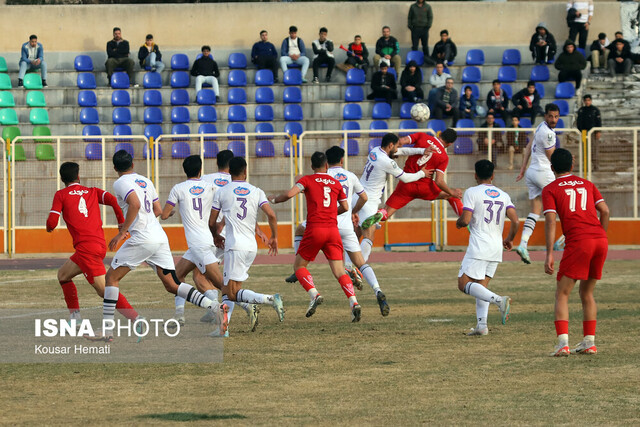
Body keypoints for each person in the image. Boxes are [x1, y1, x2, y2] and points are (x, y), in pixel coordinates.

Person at [98, 150, 228, 341]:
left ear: (115, 168)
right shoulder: (145, 181)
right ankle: (215, 307)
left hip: (141, 238)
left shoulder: (120, 183)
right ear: (133, 165)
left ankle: (107, 330)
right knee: (172, 284)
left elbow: (134, 204)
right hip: (159, 237)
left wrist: (122, 231)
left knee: (111, 278)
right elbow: (158, 210)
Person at [284, 147, 391, 317]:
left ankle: (299, 269)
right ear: (342, 160)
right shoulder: (350, 176)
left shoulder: (323, 176)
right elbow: (363, 197)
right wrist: (354, 212)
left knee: (299, 230)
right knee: (361, 263)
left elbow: (300, 183)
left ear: (326, 163)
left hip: (325, 221)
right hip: (346, 226)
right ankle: (377, 290)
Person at [160, 155, 259, 334]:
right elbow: (224, 204)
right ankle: (179, 315)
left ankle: (247, 306)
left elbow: (164, 215)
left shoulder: (178, 188)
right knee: (177, 276)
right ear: (200, 170)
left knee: (223, 286)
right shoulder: (211, 187)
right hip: (206, 240)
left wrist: (171, 211)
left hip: (201, 244)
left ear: (185, 170)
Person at [269, 152, 361, 322]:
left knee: (299, 266)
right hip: (333, 230)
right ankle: (354, 302)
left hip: (315, 229)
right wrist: (332, 212)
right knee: (339, 271)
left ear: (312, 167)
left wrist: (273, 200)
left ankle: (314, 294)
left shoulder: (307, 180)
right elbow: (346, 207)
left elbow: (289, 195)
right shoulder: (335, 182)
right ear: (326, 166)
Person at [46, 162, 138, 323]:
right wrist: (120, 222)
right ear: (78, 177)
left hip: (86, 249)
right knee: (63, 275)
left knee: (105, 291)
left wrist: (48, 227)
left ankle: (136, 319)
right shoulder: (92, 192)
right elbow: (113, 201)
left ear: (61, 178)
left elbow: (52, 222)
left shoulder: (61, 195)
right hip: (95, 246)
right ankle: (75, 318)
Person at [542, 148, 609, 356]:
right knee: (587, 292)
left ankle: (563, 344)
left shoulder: (550, 189)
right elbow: (605, 211)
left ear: (552, 168)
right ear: (572, 165)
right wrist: (601, 235)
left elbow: (551, 220)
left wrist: (549, 253)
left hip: (580, 241)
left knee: (562, 293)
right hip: (599, 240)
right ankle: (589, 342)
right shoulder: (587, 184)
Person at [210, 157, 285, 323]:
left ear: (229, 172)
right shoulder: (256, 191)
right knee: (233, 289)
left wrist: (215, 236)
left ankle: (270, 299)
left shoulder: (222, 191)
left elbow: (211, 221)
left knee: (230, 292)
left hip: (234, 246)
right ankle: (224, 327)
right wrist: (274, 236)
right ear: (245, 171)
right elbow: (271, 215)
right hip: (251, 246)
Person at [456, 160, 517, 336]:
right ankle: (482, 326)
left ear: (475, 175)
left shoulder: (472, 192)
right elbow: (515, 220)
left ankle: (499, 300)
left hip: (479, 245)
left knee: (464, 284)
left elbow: (466, 219)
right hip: (496, 246)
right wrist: (510, 239)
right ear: (493, 176)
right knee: (480, 286)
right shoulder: (503, 195)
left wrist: (459, 223)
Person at [355, 133, 434, 262]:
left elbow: (402, 151)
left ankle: (348, 266)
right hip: (369, 201)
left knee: (355, 234)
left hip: (358, 195)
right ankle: (360, 267)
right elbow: (406, 178)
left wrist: (421, 150)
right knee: (369, 237)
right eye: (396, 147)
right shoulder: (387, 161)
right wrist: (422, 173)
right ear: (390, 145)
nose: (398, 150)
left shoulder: (375, 151)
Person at [365, 129, 463, 230]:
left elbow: (401, 141)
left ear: (440, 133)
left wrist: (395, 151)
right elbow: (439, 181)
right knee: (451, 196)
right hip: (425, 187)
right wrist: (452, 192)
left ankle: (381, 214)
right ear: (450, 144)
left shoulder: (422, 136)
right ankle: (467, 222)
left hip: (406, 184)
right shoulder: (443, 157)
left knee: (387, 211)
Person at [514, 103, 562, 264]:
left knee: (535, 211)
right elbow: (552, 158)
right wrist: (564, 170)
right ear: (545, 116)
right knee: (561, 205)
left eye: (556, 116)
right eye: (550, 116)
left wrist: (523, 169)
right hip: (543, 173)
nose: (553, 119)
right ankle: (564, 240)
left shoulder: (540, 126)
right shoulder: (549, 134)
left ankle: (522, 245)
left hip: (532, 172)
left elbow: (528, 147)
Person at [576, 94, 602, 170]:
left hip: (593, 132)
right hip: (584, 132)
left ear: (591, 101)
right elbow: (579, 122)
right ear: (584, 101)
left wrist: (598, 131)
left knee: (594, 149)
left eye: (588, 100)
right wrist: (580, 131)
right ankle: (586, 165)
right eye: (586, 100)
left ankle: (595, 165)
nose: (587, 102)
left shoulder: (595, 110)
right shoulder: (581, 110)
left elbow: (598, 121)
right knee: (585, 149)